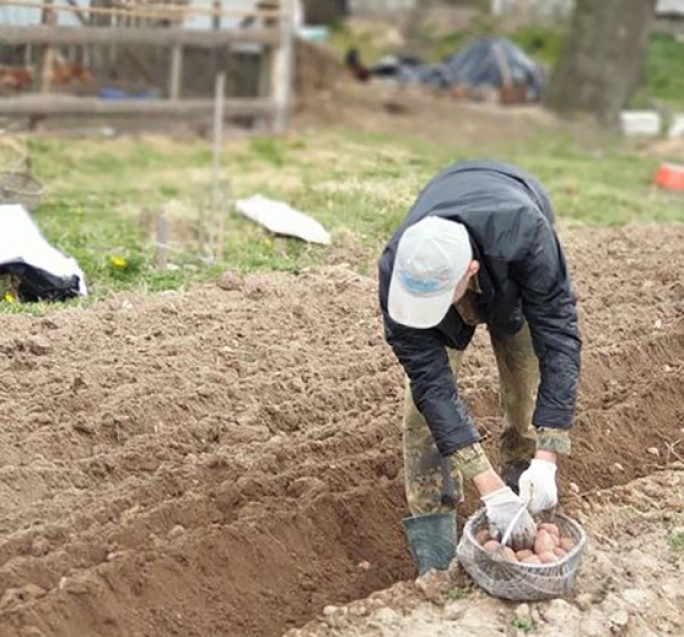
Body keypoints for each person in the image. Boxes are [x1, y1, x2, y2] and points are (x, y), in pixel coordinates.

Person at [378, 160, 581, 575]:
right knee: (421, 418)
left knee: (525, 391)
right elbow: (431, 386)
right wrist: (486, 488)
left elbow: (559, 337)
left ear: (469, 272)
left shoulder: (528, 237)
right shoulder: (402, 269)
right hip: (455, 241)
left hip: (512, 282)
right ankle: (435, 555)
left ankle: (526, 502)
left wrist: (549, 452)